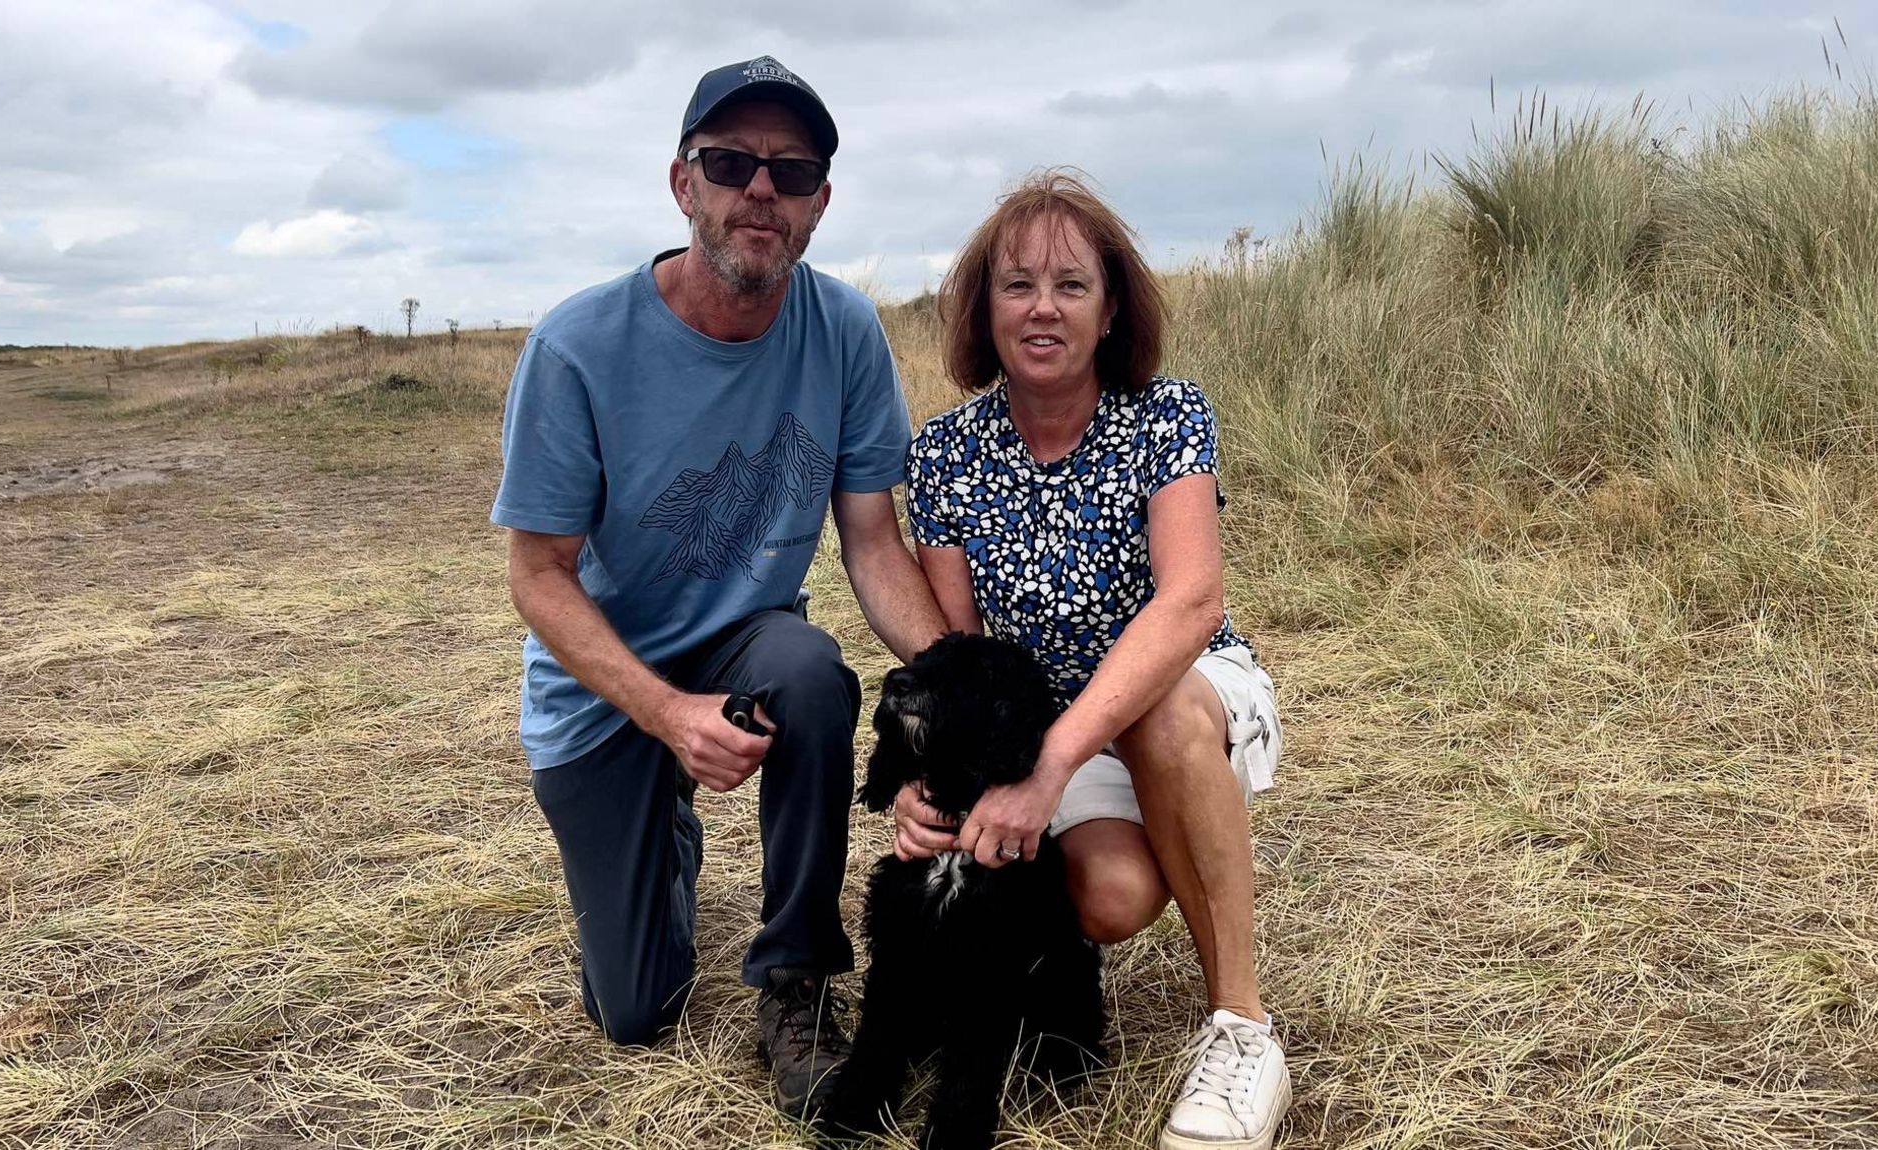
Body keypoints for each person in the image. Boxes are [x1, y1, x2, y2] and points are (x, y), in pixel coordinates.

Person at [490, 56, 945, 1118]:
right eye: (730, 161)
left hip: (746, 649)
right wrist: (664, 712)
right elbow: (539, 577)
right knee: (635, 1011)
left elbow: (874, 544)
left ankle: (795, 977)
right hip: (607, 684)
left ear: (819, 204)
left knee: (811, 671)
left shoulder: (843, 332)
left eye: (790, 172)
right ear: (681, 183)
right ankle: (664, 829)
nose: (760, 190)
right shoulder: (576, 347)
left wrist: (954, 690)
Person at [896, 169, 1292, 1150]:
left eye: (1070, 285)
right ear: (980, 308)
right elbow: (962, 658)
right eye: (1016, 283)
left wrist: (1058, 760)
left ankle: (1243, 1032)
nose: (1041, 308)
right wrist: (934, 784)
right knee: (1110, 899)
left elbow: (1190, 601)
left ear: (1111, 308)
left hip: (1182, 694)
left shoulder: (1164, 416)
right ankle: (1090, 931)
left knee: (1158, 713)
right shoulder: (943, 453)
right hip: (1048, 730)